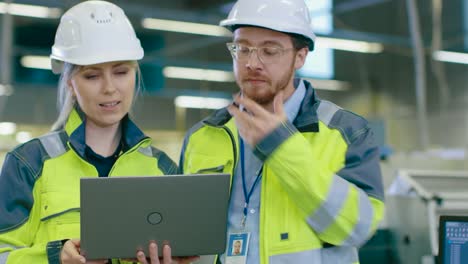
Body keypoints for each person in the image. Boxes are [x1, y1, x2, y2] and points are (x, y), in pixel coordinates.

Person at [179, 0, 385, 263]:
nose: (252, 63)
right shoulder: (203, 136)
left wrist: (283, 149)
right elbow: (188, 237)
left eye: (270, 50)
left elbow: (357, 229)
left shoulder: (346, 131)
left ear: (300, 56)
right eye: (242, 49)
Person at [0, 1, 198, 264]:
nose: (109, 88)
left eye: (120, 72)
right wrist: (54, 257)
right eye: (92, 76)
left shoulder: (163, 170)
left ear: (135, 74)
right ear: (71, 83)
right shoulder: (28, 164)